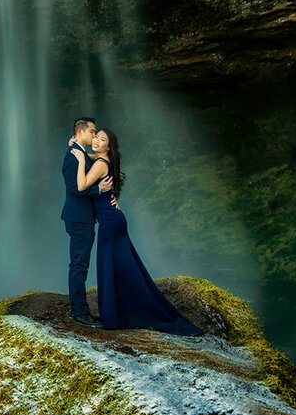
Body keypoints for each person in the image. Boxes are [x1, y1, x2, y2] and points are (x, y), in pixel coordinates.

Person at [72, 127, 203, 335]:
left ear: (108, 146)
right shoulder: (105, 161)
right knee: (124, 268)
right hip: (114, 221)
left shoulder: (99, 164)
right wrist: (80, 149)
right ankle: (124, 310)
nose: (96, 140)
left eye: (102, 139)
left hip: (110, 223)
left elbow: (81, 185)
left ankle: (113, 316)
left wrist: (80, 159)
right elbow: (94, 159)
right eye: (95, 136)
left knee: (110, 267)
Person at [62, 117, 113, 327]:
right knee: (78, 265)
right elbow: (74, 189)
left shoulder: (80, 153)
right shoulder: (73, 157)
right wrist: (100, 190)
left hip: (81, 218)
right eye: (92, 132)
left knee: (80, 264)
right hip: (79, 218)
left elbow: (93, 161)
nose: (94, 136)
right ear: (81, 131)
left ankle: (80, 310)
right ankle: (79, 312)